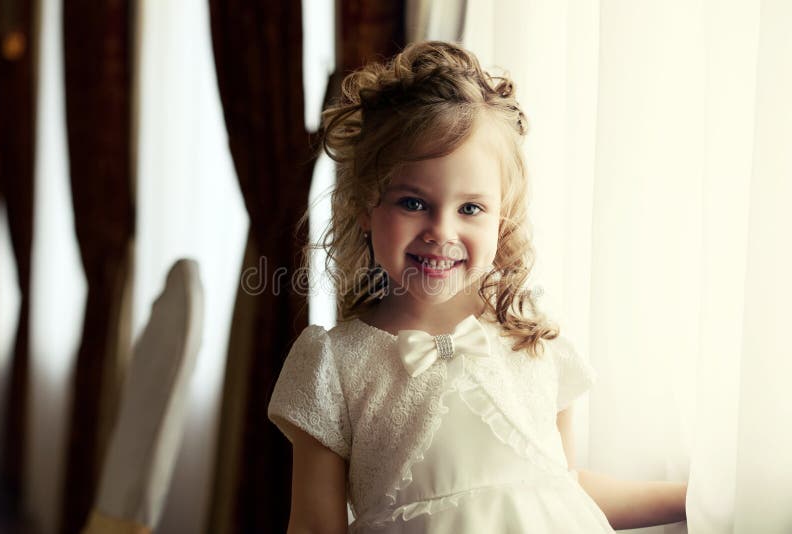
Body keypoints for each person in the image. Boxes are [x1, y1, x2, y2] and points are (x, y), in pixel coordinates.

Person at [268, 40, 687, 533]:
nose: (441, 232)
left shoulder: (533, 341)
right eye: (413, 203)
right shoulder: (334, 365)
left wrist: (694, 499)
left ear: (501, 219)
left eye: (470, 208)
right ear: (365, 205)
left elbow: (564, 493)